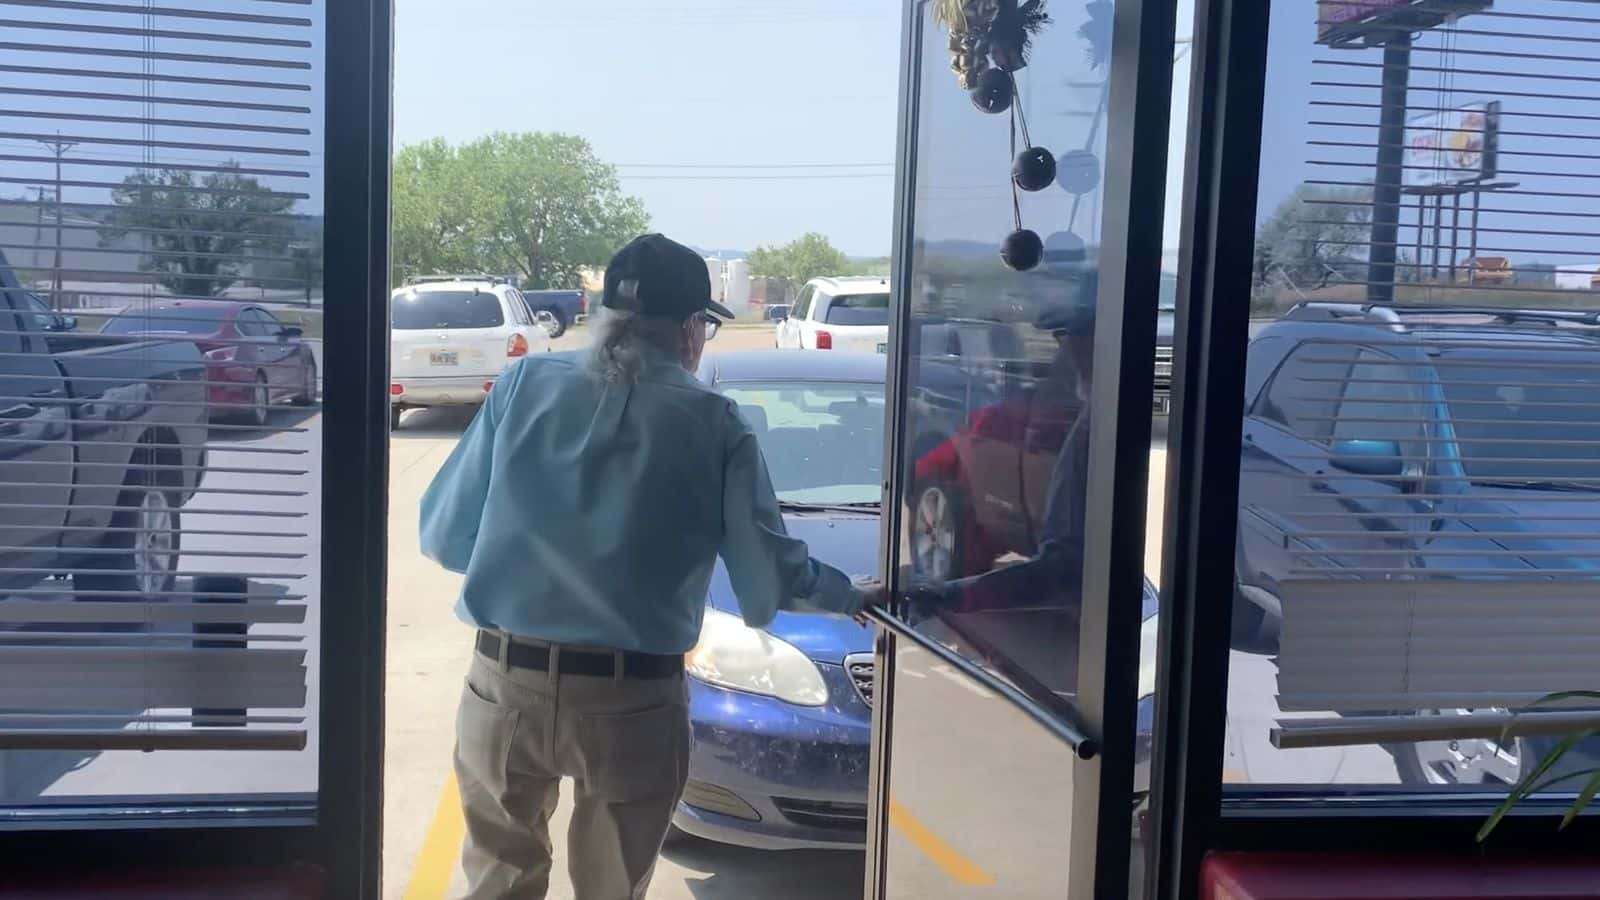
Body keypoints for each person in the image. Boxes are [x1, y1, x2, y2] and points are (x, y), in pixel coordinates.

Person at [420, 233, 882, 900]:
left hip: (505, 682)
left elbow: (444, 537)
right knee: (612, 889)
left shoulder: (523, 386)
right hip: (629, 699)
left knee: (497, 882)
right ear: (693, 328)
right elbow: (765, 584)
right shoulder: (714, 423)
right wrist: (852, 594)